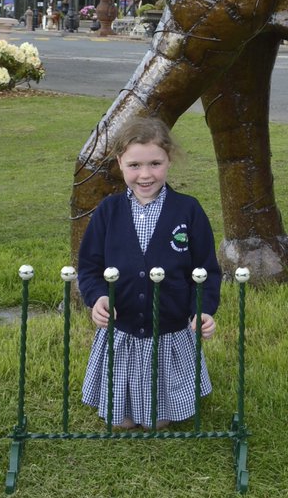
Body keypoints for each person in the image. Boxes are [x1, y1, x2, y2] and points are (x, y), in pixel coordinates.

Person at [77, 116, 221, 430]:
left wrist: (203, 311)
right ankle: (125, 406)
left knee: (160, 422)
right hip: (122, 328)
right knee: (122, 423)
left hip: (170, 329)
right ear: (119, 163)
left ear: (169, 160)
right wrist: (97, 297)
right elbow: (88, 267)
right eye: (134, 165)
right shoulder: (108, 211)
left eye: (155, 163)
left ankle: (166, 403)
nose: (145, 175)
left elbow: (206, 271)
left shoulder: (188, 211)